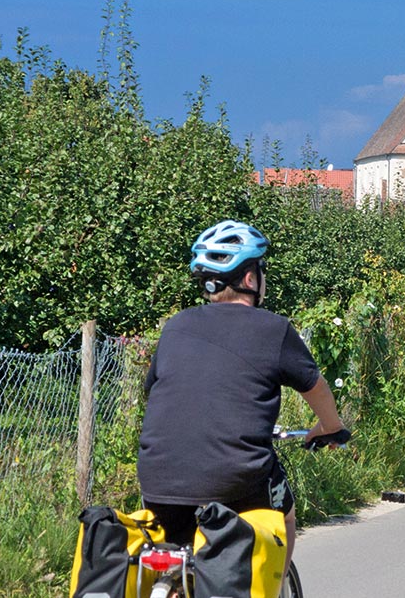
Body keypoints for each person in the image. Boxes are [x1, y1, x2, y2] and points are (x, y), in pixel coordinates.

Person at [137, 219, 346, 579]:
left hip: (157, 478)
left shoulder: (175, 326)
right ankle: (276, 584)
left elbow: (151, 390)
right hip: (236, 478)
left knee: (170, 554)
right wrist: (331, 428)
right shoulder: (274, 329)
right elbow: (316, 388)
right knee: (286, 514)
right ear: (250, 279)